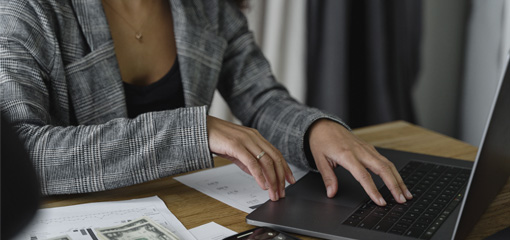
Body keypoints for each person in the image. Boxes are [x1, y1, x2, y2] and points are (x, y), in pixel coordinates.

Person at [0, 0, 412, 206]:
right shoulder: (26, 10)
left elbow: (261, 99)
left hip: (186, 213)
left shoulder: (208, 7)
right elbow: (22, 153)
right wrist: (195, 131)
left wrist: (316, 129)